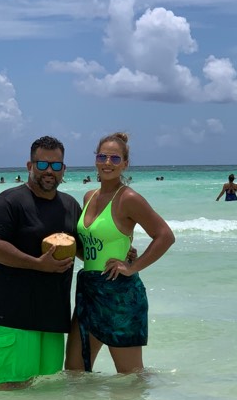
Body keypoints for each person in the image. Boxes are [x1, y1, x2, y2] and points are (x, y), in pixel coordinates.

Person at [65, 132, 175, 374]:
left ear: (125, 163)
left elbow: (165, 236)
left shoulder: (129, 198)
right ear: (95, 159)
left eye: (115, 158)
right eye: (102, 157)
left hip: (120, 294)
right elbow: (91, 248)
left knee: (130, 378)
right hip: (88, 291)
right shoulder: (89, 196)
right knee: (75, 373)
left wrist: (132, 267)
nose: (107, 163)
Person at [0, 136, 82, 390]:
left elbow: (81, 247)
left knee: (48, 395)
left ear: (63, 169)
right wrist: (37, 264)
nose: (49, 171)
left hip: (53, 318)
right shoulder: (9, 202)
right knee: (11, 392)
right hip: (13, 316)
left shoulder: (70, 205)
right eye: (42, 164)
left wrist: (120, 253)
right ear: (30, 166)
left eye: (56, 166)